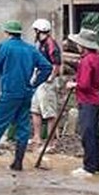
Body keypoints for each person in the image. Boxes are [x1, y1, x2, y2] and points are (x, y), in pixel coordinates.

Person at [0, 20, 53, 172]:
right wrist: (34, 83)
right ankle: (18, 162)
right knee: (23, 127)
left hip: (10, 92)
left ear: (7, 32)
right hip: (25, 92)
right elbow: (47, 67)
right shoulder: (30, 49)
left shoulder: (5, 46)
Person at [67, 28, 99, 177]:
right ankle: (95, 165)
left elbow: (84, 84)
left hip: (87, 99)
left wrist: (73, 84)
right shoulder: (98, 58)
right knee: (94, 133)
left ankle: (88, 166)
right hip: (95, 99)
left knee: (87, 133)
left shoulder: (87, 60)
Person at [29, 18, 63, 150]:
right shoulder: (39, 44)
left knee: (49, 112)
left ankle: (51, 142)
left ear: (39, 30)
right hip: (38, 80)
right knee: (35, 109)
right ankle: (37, 137)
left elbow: (56, 63)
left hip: (47, 82)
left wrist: (51, 77)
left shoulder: (50, 44)